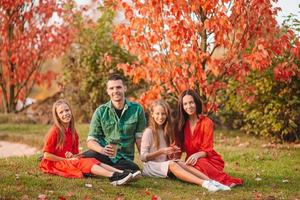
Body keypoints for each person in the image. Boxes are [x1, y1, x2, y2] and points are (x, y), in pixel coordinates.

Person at [140, 100, 231, 192]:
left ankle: (212, 182)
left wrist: (171, 152)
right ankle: (204, 183)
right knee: (172, 164)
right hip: (150, 166)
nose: (160, 117)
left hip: (163, 164)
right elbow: (143, 157)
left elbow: (165, 157)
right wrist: (161, 151)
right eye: (157, 114)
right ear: (152, 114)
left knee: (181, 162)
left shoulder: (166, 131)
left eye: (163, 114)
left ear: (167, 115)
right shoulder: (149, 132)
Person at [39, 99, 133, 186]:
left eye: (67, 110)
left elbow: (75, 155)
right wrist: (67, 160)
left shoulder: (73, 133)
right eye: (61, 112)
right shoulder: (55, 131)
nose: (65, 113)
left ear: (70, 111)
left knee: (92, 160)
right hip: (55, 163)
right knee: (83, 163)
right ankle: (113, 176)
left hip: (67, 160)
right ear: (57, 117)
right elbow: (47, 155)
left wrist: (71, 156)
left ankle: (122, 173)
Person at [83, 73, 146, 178]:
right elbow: (91, 141)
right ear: (108, 91)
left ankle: (102, 170)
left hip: (124, 159)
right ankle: (117, 173)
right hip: (103, 155)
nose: (115, 91)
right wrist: (102, 150)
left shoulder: (137, 110)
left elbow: (139, 138)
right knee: (83, 159)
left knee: (134, 168)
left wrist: (145, 161)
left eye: (118, 87)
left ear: (124, 88)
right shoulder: (100, 111)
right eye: (111, 88)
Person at [177, 89, 243, 187]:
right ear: (182, 107)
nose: (188, 106)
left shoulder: (206, 122)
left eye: (191, 102)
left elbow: (207, 149)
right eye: (185, 104)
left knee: (197, 163)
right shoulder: (182, 125)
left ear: (196, 103)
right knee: (183, 165)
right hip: (191, 161)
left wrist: (196, 155)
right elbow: (179, 148)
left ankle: (223, 181)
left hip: (207, 159)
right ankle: (208, 180)